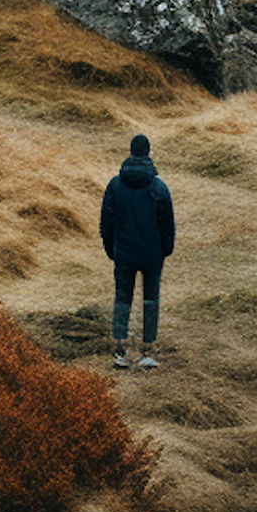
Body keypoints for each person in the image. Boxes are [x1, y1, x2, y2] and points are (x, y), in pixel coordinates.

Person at [99, 132, 175, 370]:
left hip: (124, 252)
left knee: (123, 298)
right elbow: (167, 225)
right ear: (148, 152)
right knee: (151, 299)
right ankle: (147, 350)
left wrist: (112, 250)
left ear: (131, 152)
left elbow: (106, 223)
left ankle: (120, 351)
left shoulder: (115, 186)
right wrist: (165, 250)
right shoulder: (159, 187)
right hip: (152, 254)